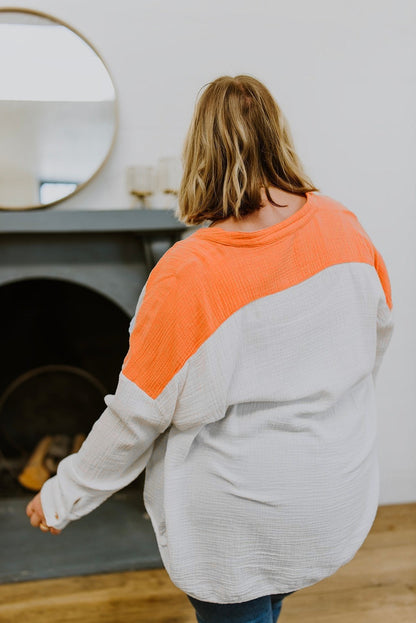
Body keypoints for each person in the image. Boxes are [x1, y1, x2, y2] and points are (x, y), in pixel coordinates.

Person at [26, 75, 394, 623]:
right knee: (273, 600)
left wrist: (61, 496)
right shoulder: (343, 226)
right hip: (328, 499)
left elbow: (134, 418)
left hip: (239, 527)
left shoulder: (189, 273)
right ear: (278, 134)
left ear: (200, 152)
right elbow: (374, 342)